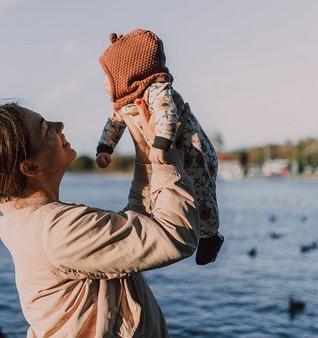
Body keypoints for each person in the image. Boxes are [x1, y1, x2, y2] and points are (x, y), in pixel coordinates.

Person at [0, 101, 200, 337]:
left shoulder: (35, 223)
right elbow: (176, 234)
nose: (59, 125)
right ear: (30, 167)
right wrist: (163, 156)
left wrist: (146, 151)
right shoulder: (55, 229)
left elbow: (139, 224)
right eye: (46, 129)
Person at [96, 29, 223, 264]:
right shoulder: (124, 101)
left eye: (109, 76)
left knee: (202, 195)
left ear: (129, 73)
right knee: (162, 194)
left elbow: (168, 111)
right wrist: (105, 147)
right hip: (164, 156)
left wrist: (160, 142)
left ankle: (210, 235)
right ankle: (161, 225)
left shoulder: (155, 89)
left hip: (193, 152)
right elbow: (114, 123)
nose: (104, 83)